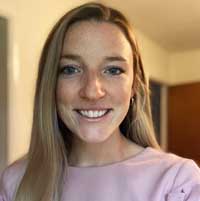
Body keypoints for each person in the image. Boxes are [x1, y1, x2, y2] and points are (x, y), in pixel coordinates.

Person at [0, 2, 200, 201]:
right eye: (71, 69)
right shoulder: (15, 182)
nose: (92, 91)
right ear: (51, 84)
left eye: (113, 70)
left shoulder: (178, 183)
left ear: (134, 85)